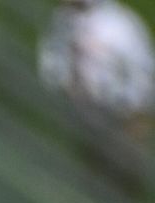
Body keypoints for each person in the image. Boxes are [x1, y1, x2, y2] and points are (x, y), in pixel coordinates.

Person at [39, 0, 155, 139]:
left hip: (120, 120)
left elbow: (143, 76)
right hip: (81, 120)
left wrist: (134, 111)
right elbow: (53, 65)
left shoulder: (120, 26)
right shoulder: (62, 21)